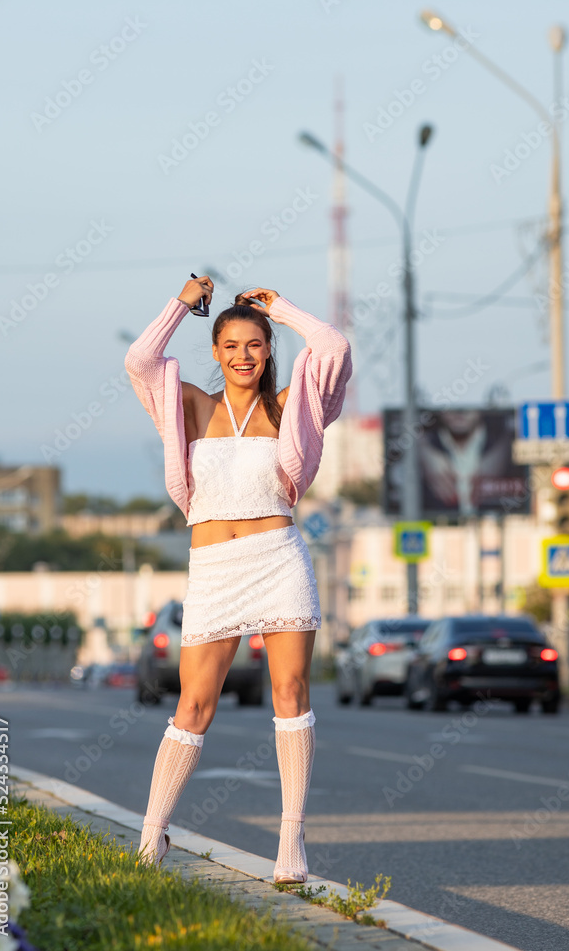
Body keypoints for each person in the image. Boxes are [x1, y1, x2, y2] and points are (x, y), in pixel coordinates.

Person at [124, 276, 352, 883]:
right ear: (217, 351)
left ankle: (291, 845)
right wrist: (179, 302)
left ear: (268, 350)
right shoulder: (192, 405)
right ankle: (151, 837)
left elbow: (331, 348)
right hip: (215, 571)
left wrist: (282, 307)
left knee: (290, 696)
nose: (243, 355)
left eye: (255, 344)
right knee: (194, 704)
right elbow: (140, 360)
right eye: (231, 346)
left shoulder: (291, 406)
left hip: (278, 558)